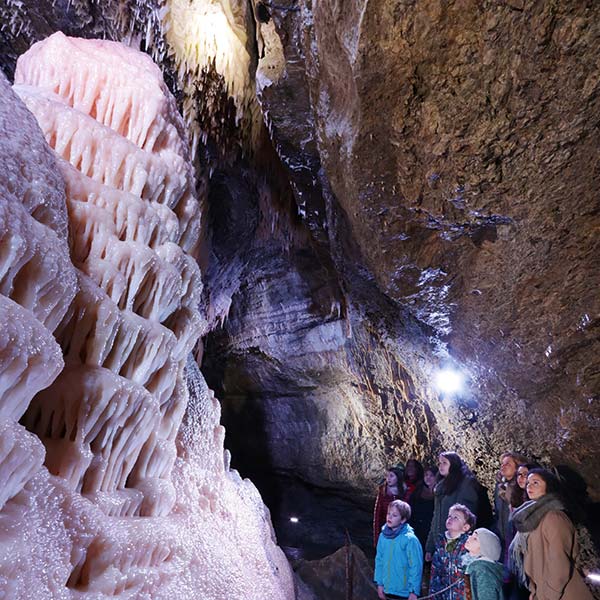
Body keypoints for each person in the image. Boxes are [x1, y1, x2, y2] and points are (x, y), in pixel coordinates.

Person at [509, 468, 593, 600]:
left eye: (536, 482)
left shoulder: (554, 517)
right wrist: (534, 592)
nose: (529, 486)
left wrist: (549, 595)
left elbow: (559, 564)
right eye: (528, 483)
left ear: (549, 486)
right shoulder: (532, 518)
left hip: (563, 595)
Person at [425, 452, 479, 561]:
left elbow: (468, 517)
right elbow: (436, 517)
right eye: (440, 463)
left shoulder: (465, 485)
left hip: (456, 543)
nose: (441, 466)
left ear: (453, 465)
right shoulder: (441, 486)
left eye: (445, 463)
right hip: (441, 542)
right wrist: (430, 546)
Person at [374, 500, 423, 600]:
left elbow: (416, 566)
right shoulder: (383, 537)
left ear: (403, 519)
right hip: (387, 590)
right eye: (389, 513)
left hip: (404, 592)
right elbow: (379, 560)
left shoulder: (410, 539)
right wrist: (379, 584)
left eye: (395, 515)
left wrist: (414, 591)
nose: (390, 517)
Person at [429, 503, 476, 600]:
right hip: (444, 596)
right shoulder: (440, 545)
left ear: (465, 527)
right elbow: (435, 575)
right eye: (449, 516)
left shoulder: (468, 545)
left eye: (456, 518)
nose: (450, 519)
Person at [464, 528, 503, 600]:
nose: (469, 538)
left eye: (475, 539)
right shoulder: (476, 567)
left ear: (485, 548)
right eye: (471, 535)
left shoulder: (482, 570)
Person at [374, 465, 406, 546]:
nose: (388, 478)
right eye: (387, 476)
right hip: (386, 530)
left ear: (398, 477)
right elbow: (377, 516)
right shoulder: (383, 492)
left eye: (391, 476)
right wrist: (377, 537)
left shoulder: (405, 493)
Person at [409, 465, 438, 552]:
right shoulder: (418, 491)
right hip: (417, 527)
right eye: (426, 475)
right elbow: (411, 509)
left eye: (431, 475)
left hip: (431, 528)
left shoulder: (441, 494)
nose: (428, 478)